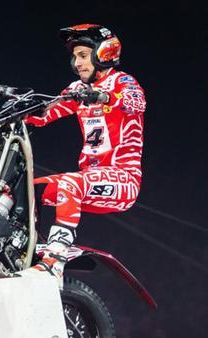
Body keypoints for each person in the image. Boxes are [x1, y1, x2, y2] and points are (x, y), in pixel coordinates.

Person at [22, 24, 145, 287]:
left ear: (103, 53)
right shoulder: (78, 88)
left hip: (123, 180)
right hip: (90, 179)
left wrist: (103, 96)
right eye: (74, 56)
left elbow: (137, 102)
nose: (76, 63)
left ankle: (55, 262)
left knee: (69, 184)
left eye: (83, 55)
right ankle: (24, 251)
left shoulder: (123, 82)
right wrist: (23, 110)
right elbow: (46, 114)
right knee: (26, 190)